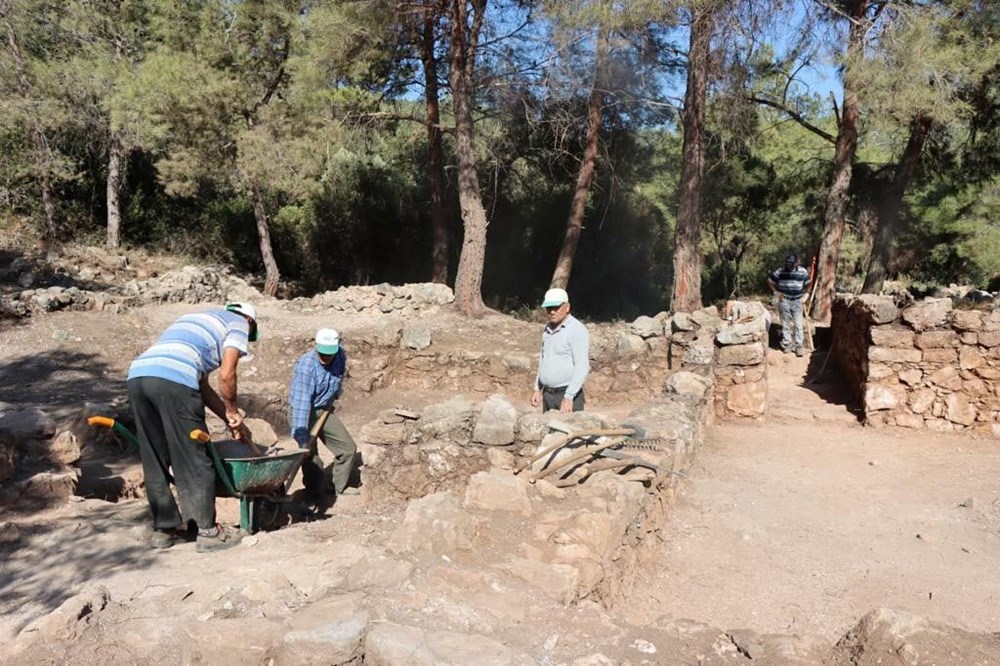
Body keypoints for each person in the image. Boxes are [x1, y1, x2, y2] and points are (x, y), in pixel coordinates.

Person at [126, 302, 257, 552]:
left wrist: (229, 419)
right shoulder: (239, 323)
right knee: (194, 454)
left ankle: (164, 530)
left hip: (139, 376)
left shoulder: (195, 319)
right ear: (250, 322)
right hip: (174, 379)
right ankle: (208, 533)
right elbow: (227, 375)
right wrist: (233, 409)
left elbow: (203, 387)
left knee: (154, 455)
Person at [288, 328, 359, 513]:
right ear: (316, 347)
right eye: (322, 353)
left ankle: (334, 490)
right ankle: (313, 493)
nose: (326, 358)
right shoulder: (307, 366)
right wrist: (303, 438)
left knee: (348, 449)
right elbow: (302, 404)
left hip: (323, 411)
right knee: (311, 457)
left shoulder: (340, 354)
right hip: (303, 411)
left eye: (330, 354)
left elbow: (340, 374)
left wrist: (334, 395)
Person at [531, 288, 590, 412]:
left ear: (567, 307)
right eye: (549, 308)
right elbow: (543, 359)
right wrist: (537, 388)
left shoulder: (576, 330)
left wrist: (569, 397)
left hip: (566, 395)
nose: (552, 312)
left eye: (556, 307)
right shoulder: (547, 329)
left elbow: (582, 366)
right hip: (548, 395)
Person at [767, 253, 811, 356]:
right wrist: (775, 292)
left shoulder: (802, 271)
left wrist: (807, 294)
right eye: (787, 263)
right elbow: (769, 281)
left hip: (797, 300)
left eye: (791, 263)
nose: (789, 265)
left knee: (798, 324)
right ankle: (787, 344)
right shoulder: (780, 271)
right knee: (785, 323)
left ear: (796, 263)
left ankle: (799, 346)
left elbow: (809, 282)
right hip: (784, 300)